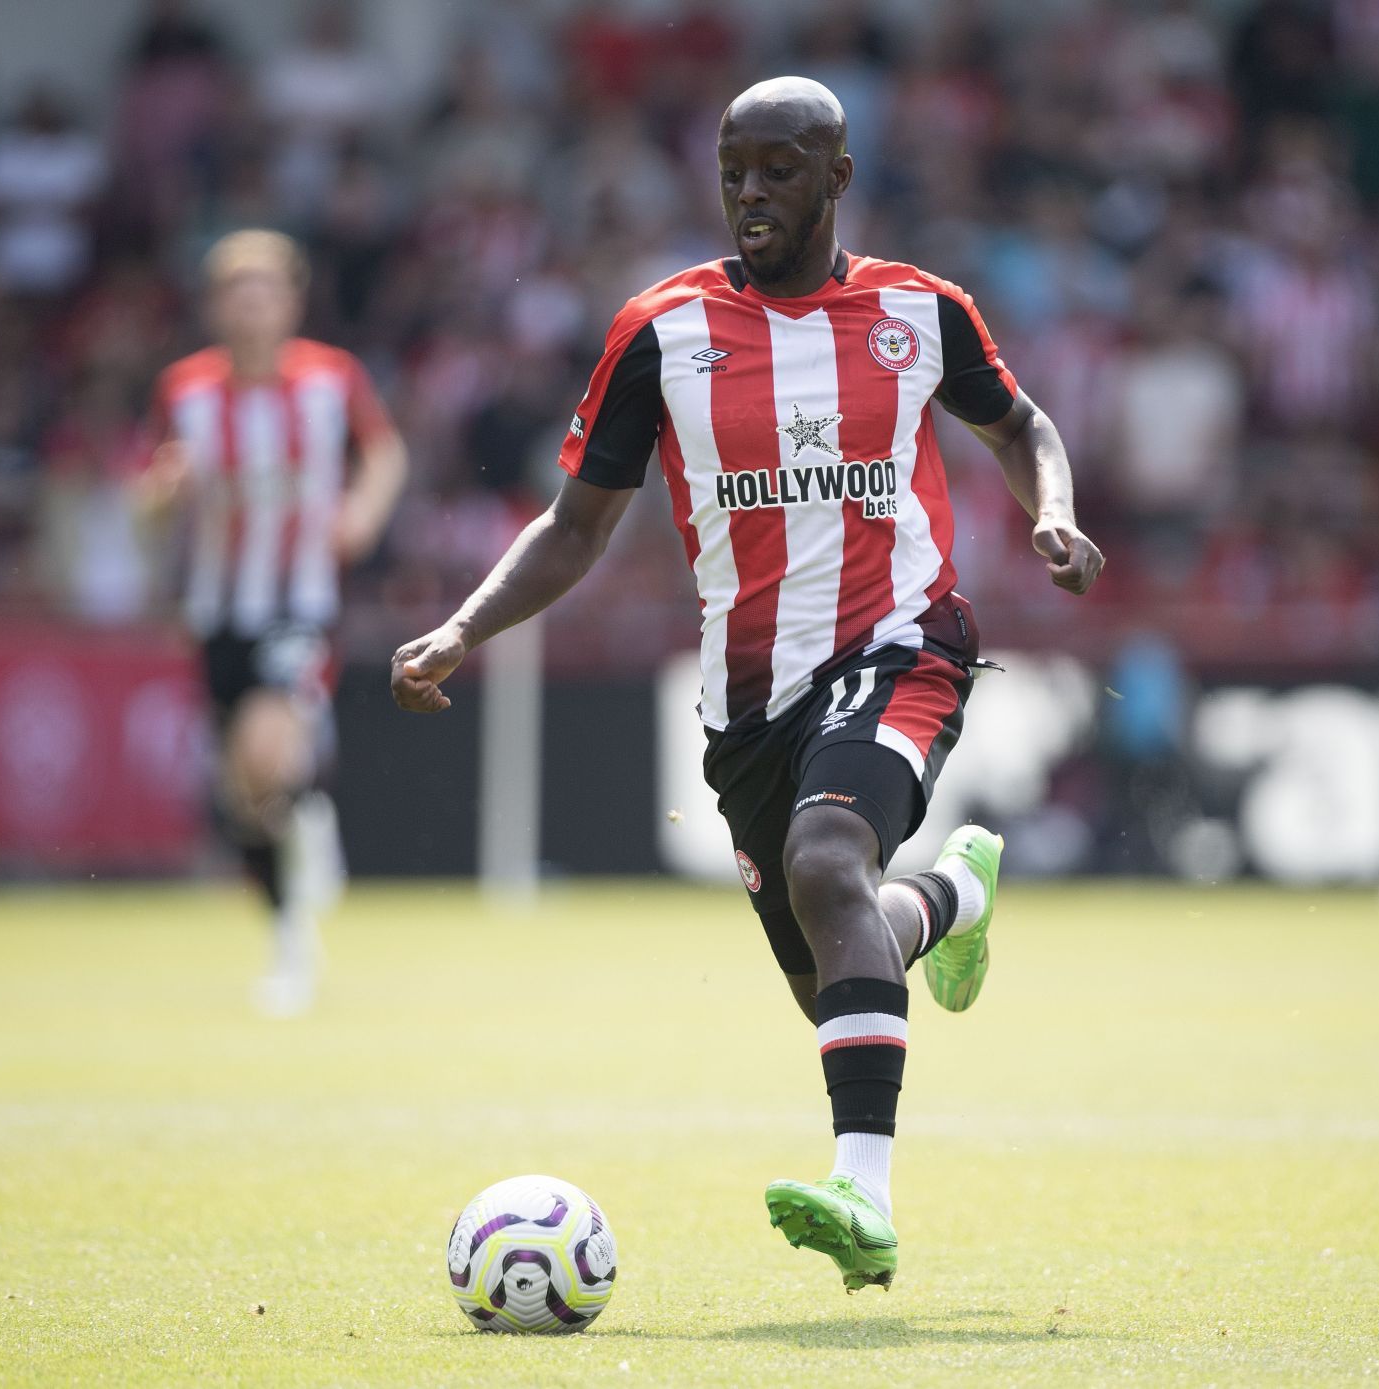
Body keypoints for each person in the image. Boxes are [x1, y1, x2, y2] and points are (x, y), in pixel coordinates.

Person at [389, 78, 1103, 1291]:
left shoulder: (920, 312)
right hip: (748, 704)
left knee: (831, 863)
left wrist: (1057, 516)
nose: (750, 194)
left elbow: (1023, 426)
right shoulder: (660, 332)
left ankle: (863, 1199)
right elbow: (575, 527)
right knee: (836, 960)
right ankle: (951, 899)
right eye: (733, 172)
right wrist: (464, 626)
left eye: (778, 170)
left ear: (837, 177)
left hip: (904, 642)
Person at [136, 230, 407, 1015]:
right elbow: (146, 495)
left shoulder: (331, 378)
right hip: (217, 608)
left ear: (290, 299)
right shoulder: (183, 389)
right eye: (236, 291)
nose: (251, 304)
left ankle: (301, 779)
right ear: (216, 305)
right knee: (242, 793)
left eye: (265, 289)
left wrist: (359, 511)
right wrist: (161, 490)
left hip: (299, 602)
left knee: (263, 749)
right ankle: (291, 920)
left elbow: (385, 454)